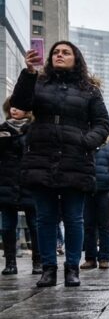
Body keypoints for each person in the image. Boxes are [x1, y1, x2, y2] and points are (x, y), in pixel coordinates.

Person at [13, 41, 109, 288]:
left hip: (75, 159)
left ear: (76, 59)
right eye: (56, 52)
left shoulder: (89, 90)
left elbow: (102, 123)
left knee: (74, 218)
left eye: (66, 52)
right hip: (41, 156)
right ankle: (48, 268)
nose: (60, 55)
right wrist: (29, 72)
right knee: (44, 217)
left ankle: (71, 268)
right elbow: (21, 105)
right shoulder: (38, 82)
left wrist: (85, 141)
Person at [0, 98, 40, 275]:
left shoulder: (35, 130)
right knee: (7, 225)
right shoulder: (2, 129)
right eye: (12, 107)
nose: (14, 110)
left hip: (29, 181)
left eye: (19, 106)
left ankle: (38, 261)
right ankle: (10, 262)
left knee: (35, 224)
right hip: (6, 182)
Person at [81, 136, 109, 271]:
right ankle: (90, 259)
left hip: (105, 189)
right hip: (87, 188)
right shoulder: (86, 142)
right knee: (88, 225)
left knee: (104, 225)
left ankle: (104, 258)